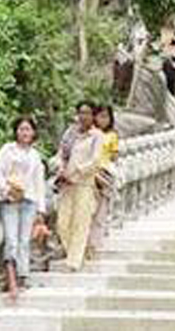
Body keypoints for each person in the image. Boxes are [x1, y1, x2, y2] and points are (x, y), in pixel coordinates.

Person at [0, 116, 46, 299]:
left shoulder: (35, 155)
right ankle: (11, 278)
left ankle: (23, 276)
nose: (24, 133)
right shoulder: (7, 150)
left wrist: (41, 210)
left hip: (29, 200)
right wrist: (7, 190)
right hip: (9, 200)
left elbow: (39, 183)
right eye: (21, 129)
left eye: (28, 129)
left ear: (33, 133)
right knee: (11, 239)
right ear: (16, 131)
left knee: (24, 240)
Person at [56, 101, 105, 271]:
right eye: (81, 113)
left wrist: (76, 172)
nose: (83, 116)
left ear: (93, 116)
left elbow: (95, 161)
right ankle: (76, 253)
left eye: (88, 113)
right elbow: (61, 155)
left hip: (84, 184)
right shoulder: (70, 134)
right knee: (62, 222)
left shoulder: (97, 136)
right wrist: (61, 169)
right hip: (66, 184)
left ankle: (74, 261)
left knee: (81, 222)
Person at [87, 105, 119, 257]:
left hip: (105, 171)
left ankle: (95, 245)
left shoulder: (112, 136)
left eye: (106, 117)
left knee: (100, 211)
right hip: (89, 172)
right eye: (100, 116)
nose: (103, 120)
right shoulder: (89, 134)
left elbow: (114, 156)